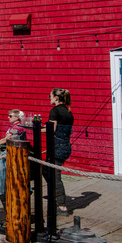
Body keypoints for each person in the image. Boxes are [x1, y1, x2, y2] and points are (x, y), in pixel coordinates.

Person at [43, 88, 73, 216]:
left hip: (57, 147)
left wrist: (35, 128)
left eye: (50, 96)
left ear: (56, 98)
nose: (49, 98)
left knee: (55, 175)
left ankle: (61, 206)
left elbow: (52, 130)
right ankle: (55, 195)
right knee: (46, 170)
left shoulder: (54, 111)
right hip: (65, 145)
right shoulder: (68, 111)